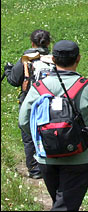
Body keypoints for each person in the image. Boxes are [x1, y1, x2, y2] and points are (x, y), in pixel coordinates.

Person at [19, 39, 88, 211]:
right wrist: (81, 132)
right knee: (65, 206)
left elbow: (23, 121)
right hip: (78, 158)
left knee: (61, 203)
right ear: (78, 58)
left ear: (53, 60)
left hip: (46, 158)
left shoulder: (38, 87)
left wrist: (43, 137)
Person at [3, 29, 54, 179]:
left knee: (29, 134)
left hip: (30, 101)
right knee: (50, 130)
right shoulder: (54, 58)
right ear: (49, 43)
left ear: (32, 43)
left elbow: (13, 80)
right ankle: (52, 164)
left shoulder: (27, 58)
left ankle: (35, 169)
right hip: (53, 102)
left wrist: (8, 70)